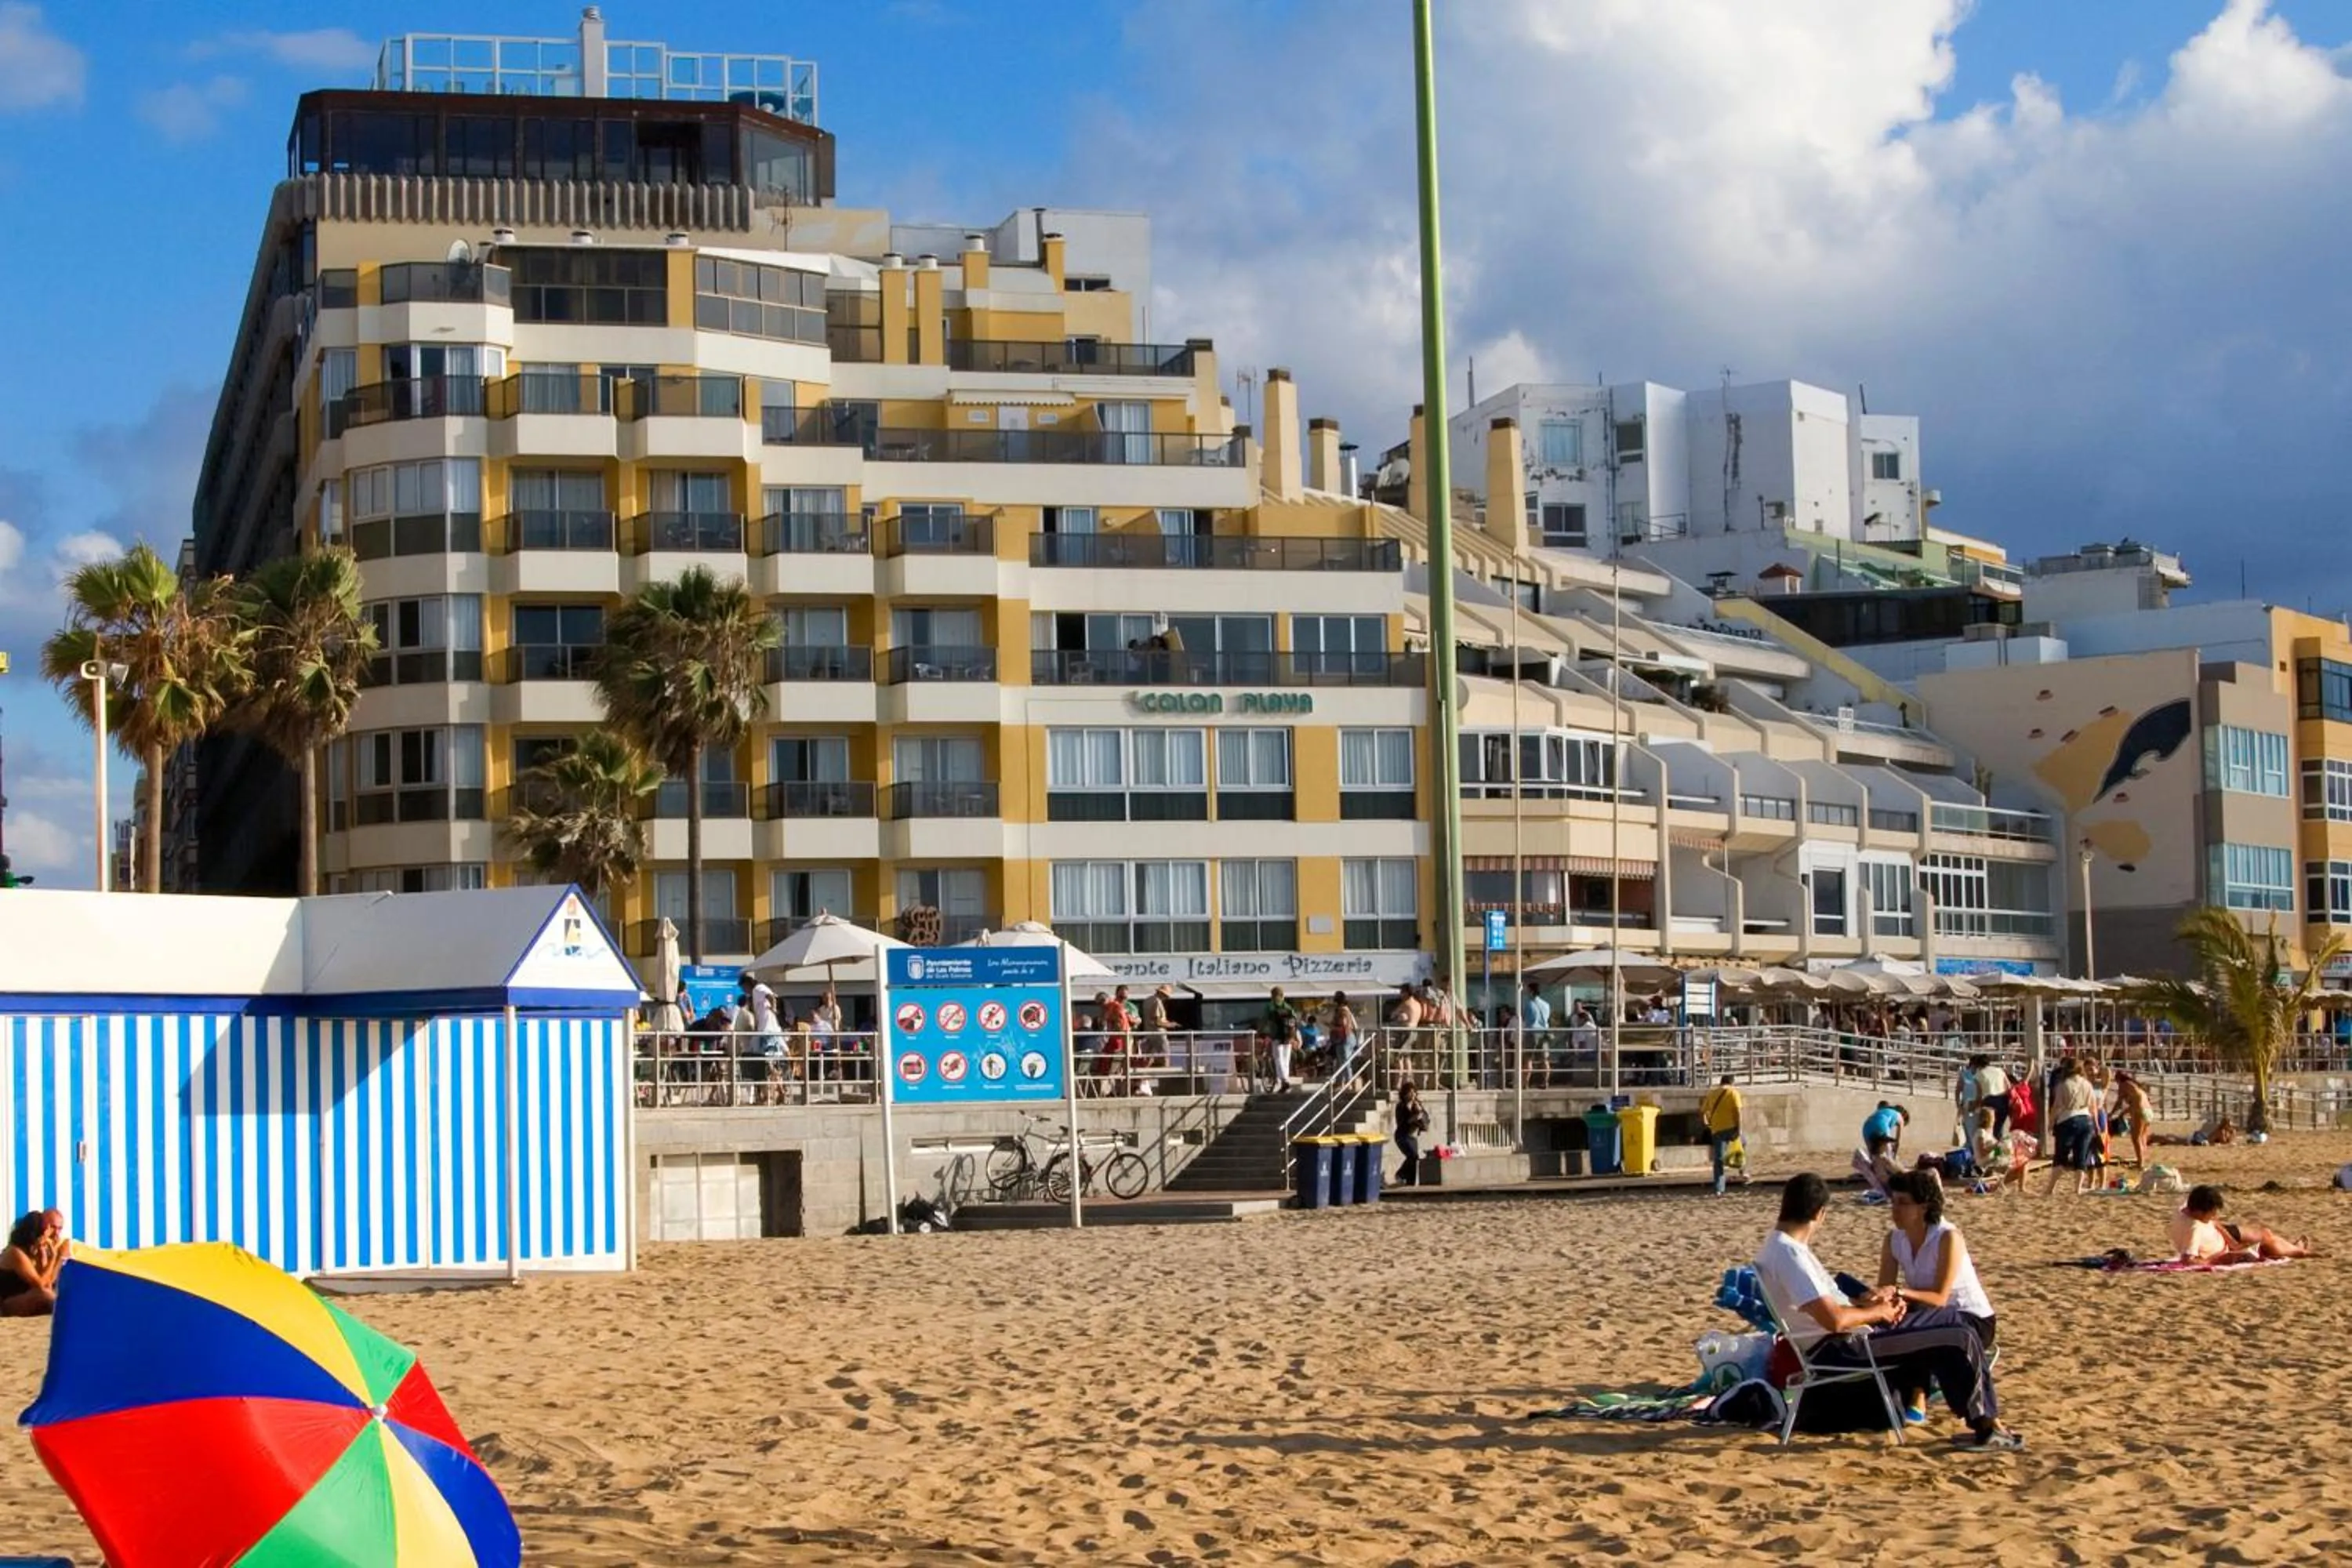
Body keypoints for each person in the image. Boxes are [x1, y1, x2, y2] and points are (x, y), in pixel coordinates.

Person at [1754, 1173, 2020, 1449]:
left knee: (1951, 1325)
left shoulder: (1778, 1248)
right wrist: (1880, 1313)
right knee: (1957, 1333)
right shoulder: (1791, 1255)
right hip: (1846, 1346)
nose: (1895, 1209)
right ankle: (1987, 1425)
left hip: (1843, 1340)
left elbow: (1827, 1312)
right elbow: (1834, 1320)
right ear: (1820, 1213)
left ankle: (1981, 1422)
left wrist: (1871, 1304)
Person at [1873, 1170, 1999, 1425]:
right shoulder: (1894, 1240)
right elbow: (1886, 1288)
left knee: (1920, 1322)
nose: (1895, 1210)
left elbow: (1941, 1298)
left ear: (1924, 1207)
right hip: (1928, 1313)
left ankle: (1919, 1394)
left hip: (1971, 1319)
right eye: (1893, 1202)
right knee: (1891, 1320)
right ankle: (1903, 1394)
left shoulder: (1947, 1237)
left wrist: (1901, 1292)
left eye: (1903, 1203)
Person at [2169, 1185, 2315, 1263]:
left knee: (2266, 1233)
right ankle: (2298, 1251)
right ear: (2200, 1212)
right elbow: (2188, 1260)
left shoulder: (2185, 1208)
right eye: (2212, 1213)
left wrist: (2232, 1243)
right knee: (2270, 1245)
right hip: (2219, 1245)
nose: (2214, 1216)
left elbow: (2214, 1222)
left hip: (2221, 1235)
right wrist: (2218, 1259)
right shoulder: (2194, 1228)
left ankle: (2292, 1248)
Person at [2043, 1058, 2099, 1196]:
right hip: (2086, 1119)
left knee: (2061, 1156)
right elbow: (2093, 1106)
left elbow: (2056, 1106)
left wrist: (2051, 1123)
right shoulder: (2087, 1084)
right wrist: (2096, 1124)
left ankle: (2051, 1188)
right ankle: (2078, 1189)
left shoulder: (2063, 1085)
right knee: (2081, 1156)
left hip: (2068, 1119)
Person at [0, 1210, 61, 1317]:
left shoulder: (36, 1252)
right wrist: (54, 1258)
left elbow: (48, 1284)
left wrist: (45, 1257)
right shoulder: (15, 1253)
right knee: (44, 1296)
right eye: (47, 1231)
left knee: (51, 1295)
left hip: (26, 1298)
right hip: (6, 1304)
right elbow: (40, 1286)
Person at [1700, 1075, 1745, 1196]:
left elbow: (1703, 1111)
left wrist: (1707, 1124)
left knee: (1719, 1159)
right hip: (1732, 1128)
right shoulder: (1733, 1093)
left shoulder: (1712, 1094)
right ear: (1732, 1082)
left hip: (1717, 1129)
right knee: (1743, 1145)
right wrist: (1739, 1129)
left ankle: (1719, 1189)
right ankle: (1742, 1171)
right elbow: (1738, 1112)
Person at [2110, 1069, 2153, 1170]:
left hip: (2140, 1112)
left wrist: (2111, 1114)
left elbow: (2119, 1102)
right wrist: (2123, 1114)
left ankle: (2140, 1164)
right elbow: (2136, 1102)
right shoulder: (2136, 1087)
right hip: (2149, 1111)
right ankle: (2142, 1160)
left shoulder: (2123, 1085)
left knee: (2136, 1138)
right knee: (2142, 1137)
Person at [1263, 987, 1301, 1091]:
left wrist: (1262, 1030)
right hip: (1288, 1036)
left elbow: (1265, 1020)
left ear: (1272, 995)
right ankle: (1286, 1080)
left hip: (1276, 1035)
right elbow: (1294, 1022)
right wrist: (1294, 1037)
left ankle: (1284, 1080)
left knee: (1278, 1058)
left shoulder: (1270, 1006)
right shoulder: (1288, 1007)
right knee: (1286, 1059)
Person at [1394, 1082, 1431, 1185]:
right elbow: (1402, 1122)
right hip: (1402, 1136)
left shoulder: (1417, 1105)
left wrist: (1420, 1112)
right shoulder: (1401, 1106)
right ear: (1404, 1094)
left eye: (1414, 1092)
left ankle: (1410, 1183)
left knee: (1415, 1160)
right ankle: (1400, 1174)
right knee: (1413, 1156)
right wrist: (1414, 1118)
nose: (1412, 1095)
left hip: (1413, 1137)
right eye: (1409, 1092)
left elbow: (1426, 1119)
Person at [1521, 980, 1554, 1087]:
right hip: (1544, 1032)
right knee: (1544, 1059)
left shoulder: (1529, 1004)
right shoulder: (1546, 1005)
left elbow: (1524, 1018)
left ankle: (1525, 1083)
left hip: (1532, 1032)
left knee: (1528, 1058)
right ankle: (1545, 1082)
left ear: (1531, 991)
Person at [1975, 1054, 2013, 1139]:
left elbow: (1979, 1093)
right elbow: (2009, 1086)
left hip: (1989, 1101)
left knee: (1988, 1127)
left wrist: (1977, 1106)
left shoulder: (1979, 1074)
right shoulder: (1999, 1071)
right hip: (2003, 1100)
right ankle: (1998, 1143)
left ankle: (1991, 1144)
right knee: (1999, 1126)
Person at [1328, 991, 1359, 1073]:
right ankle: (1344, 1080)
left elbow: (1344, 1024)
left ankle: (1349, 1080)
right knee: (1342, 1064)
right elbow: (1355, 1026)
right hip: (1345, 1037)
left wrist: (1332, 1027)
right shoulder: (1346, 1010)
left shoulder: (1342, 1011)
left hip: (1344, 1037)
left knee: (1345, 1063)